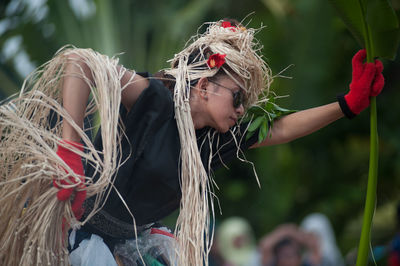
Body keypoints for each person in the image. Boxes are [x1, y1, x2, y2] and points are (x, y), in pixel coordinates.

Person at [0, 18, 384, 266]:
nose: (241, 110)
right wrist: (70, 151)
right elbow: (80, 63)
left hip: (129, 244)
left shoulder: (213, 141)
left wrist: (347, 105)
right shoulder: (154, 100)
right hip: (75, 235)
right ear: (203, 85)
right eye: (237, 97)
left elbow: (279, 129)